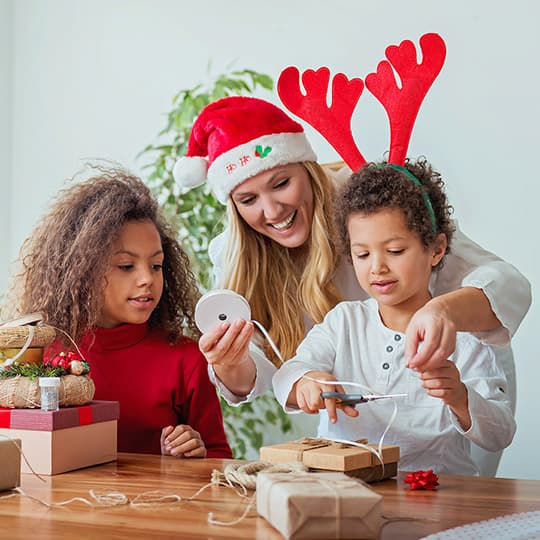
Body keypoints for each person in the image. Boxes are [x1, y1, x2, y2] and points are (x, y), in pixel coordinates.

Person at [271, 159, 516, 474]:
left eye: (396, 251)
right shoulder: (343, 322)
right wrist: (305, 381)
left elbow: (500, 434)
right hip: (347, 493)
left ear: (436, 249)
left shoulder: (464, 334)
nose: (377, 267)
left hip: (437, 496)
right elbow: (287, 375)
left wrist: (459, 396)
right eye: (362, 254)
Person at [6, 167, 232, 459]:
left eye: (156, 265)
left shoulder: (187, 360)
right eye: (126, 266)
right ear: (82, 272)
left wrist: (191, 453)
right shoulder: (41, 357)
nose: (147, 279)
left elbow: (220, 460)